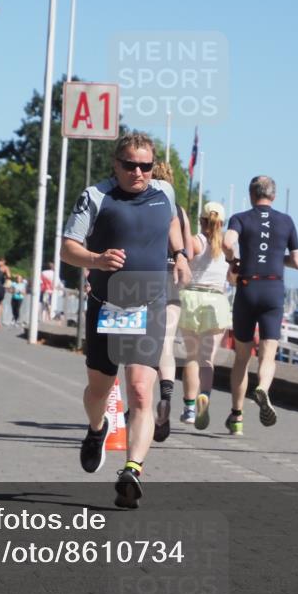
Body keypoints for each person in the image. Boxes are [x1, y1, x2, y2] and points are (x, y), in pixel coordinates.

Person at [62, 132, 190, 509]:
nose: (138, 172)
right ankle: (96, 429)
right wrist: (97, 260)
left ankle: (132, 469)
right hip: (106, 305)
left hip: (148, 305)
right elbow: (69, 247)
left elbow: (169, 224)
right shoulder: (97, 196)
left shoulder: (164, 192)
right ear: (115, 164)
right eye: (130, 165)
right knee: (99, 391)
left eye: (145, 166)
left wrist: (180, 253)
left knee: (139, 391)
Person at [223, 175, 298, 435]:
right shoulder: (286, 221)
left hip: (248, 288)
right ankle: (263, 389)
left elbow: (226, 241)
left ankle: (236, 417)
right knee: (268, 353)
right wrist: (278, 257)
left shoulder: (241, 217)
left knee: (242, 358)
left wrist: (232, 259)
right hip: (273, 289)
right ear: (274, 196)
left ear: (250, 194)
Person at [148, 161, 194, 442]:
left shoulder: (147, 203)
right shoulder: (180, 212)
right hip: (172, 280)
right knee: (166, 343)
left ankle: (137, 406)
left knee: (141, 347)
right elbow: (187, 250)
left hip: (147, 279)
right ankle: (166, 394)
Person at [179, 202, 234, 433]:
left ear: (202, 220)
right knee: (207, 359)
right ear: (222, 223)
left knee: (191, 356)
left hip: (192, 298)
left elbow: (183, 259)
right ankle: (205, 396)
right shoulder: (229, 248)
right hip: (216, 301)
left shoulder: (195, 240)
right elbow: (232, 279)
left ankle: (190, 409)